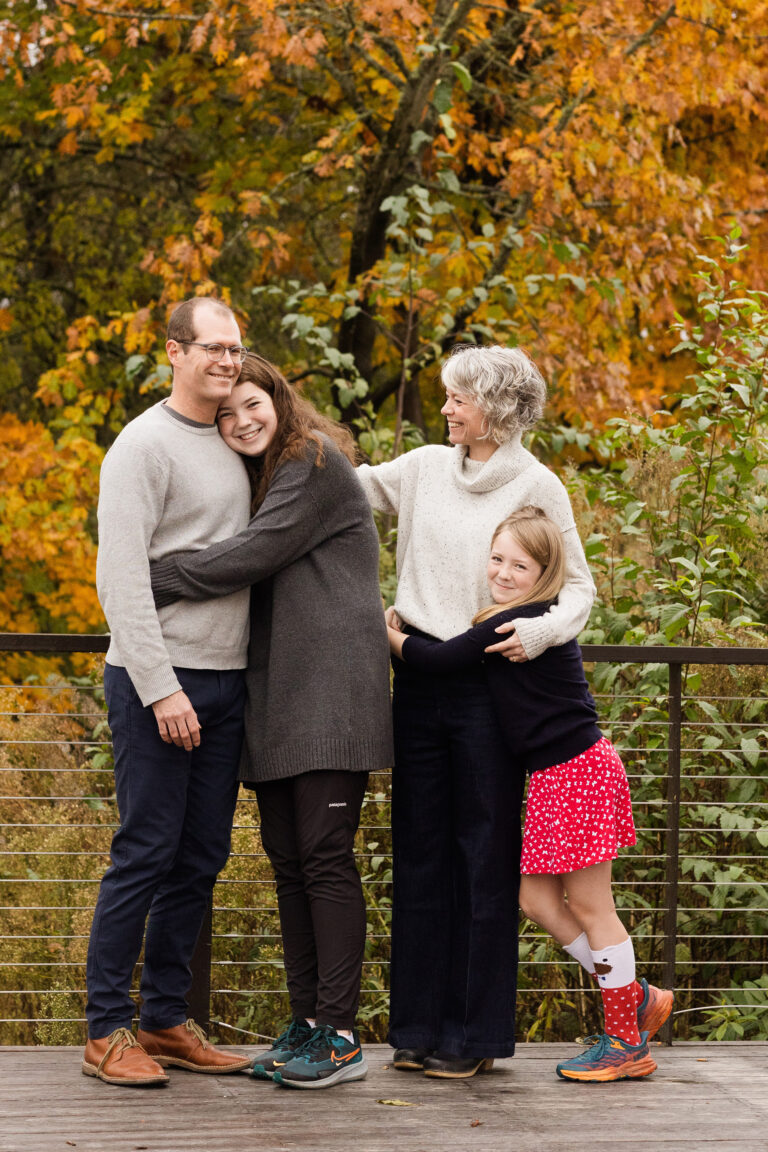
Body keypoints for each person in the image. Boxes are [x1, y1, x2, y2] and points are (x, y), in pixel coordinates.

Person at [149, 354, 393, 1090]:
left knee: (322, 857)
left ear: (279, 401)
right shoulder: (266, 479)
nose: (239, 420)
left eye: (250, 403)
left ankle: (342, 1033)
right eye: (225, 414)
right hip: (279, 697)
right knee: (290, 864)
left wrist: (147, 573)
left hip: (332, 695)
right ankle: (308, 1024)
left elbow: (249, 557)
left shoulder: (312, 460)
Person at [355, 343, 596, 1078]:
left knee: (481, 860)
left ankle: (472, 1039)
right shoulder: (425, 467)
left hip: (490, 684)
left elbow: (580, 587)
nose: (448, 408)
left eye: (458, 397)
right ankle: (419, 1030)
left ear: (492, 406)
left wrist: (540, 628)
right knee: (421, 856)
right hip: (417, 676)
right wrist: (257, 430)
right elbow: (346, 487)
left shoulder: (536, 482)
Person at [386, 506, 674, 1082]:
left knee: (593, 907)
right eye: (497, 559)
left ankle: (625, 1041)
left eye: (521, 564)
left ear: (546, 573)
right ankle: (635, 996)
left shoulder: (521, 621)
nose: (504, 572)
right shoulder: (505, 615)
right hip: (552, 777)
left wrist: (387, 631)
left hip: (577, 771)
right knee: (537, 902)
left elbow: (437, 658)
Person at [84, 297, 255, 1086]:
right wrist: (160, 689)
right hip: (160, 682)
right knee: (145, 852)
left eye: (236, 350)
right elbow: (119, 581)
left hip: (228, 683)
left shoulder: (232, 439)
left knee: (201, 856)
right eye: (213, 348)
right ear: (175, 353)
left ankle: (162, 1019)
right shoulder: (141, 446)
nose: (227, 361)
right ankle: (105, 1031)